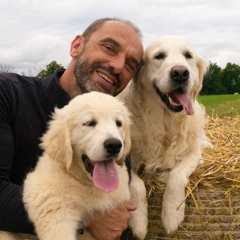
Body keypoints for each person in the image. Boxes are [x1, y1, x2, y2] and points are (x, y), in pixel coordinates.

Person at [0, 18, 144, 240]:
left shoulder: (116, 134)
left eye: (130, 65)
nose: (117, 66)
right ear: (77, 45)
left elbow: (116, 225)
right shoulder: (7, 94)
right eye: (109, 48)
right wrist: (87, 217)